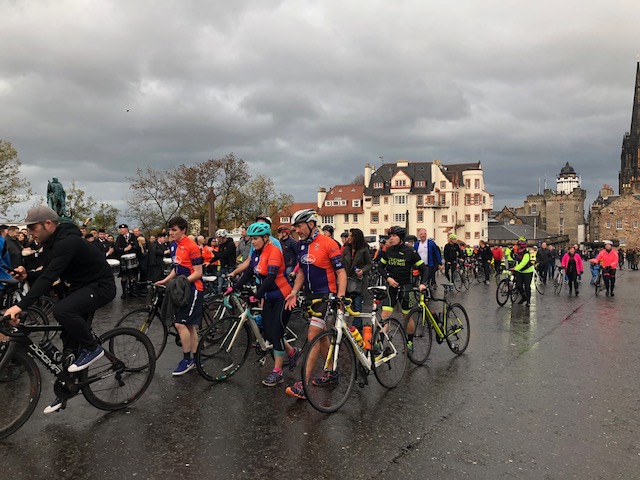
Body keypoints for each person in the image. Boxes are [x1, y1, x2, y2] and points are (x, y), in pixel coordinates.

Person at [3, 206, 116, 413]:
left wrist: (20, 305)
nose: (29, 232)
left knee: (62, 311)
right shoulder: (50, 244)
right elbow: (46, 271)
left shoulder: (68, 241)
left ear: (48, 224)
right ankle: (65, 390)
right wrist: (27, 274)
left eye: (32, 227)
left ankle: (93, 348)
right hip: (78, 288)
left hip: (100, 286)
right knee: (68, 347)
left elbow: (48, 277)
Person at [228, 222, 301, 387]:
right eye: (251, 239)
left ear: (266, 237)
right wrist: (234, 287)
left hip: (282, 297)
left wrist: (256, 295)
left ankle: (277, 372)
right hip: (269, 297)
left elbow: (271, 277)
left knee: (276, 333)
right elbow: (248, 272)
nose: (253, 242)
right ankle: (292, 351)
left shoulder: (274, 251)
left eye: (256, 239)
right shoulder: (256, 253)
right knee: (268, 333)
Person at [283, 209, 346, 400]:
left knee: (312, 336)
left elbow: (341, 272)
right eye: (294, 227)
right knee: (322, 337)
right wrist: (294, 292)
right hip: (310, 296)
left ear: (311, 224)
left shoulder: (329, 244)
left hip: (326, 295)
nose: (296, 231)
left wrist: (341, 296)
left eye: (299, 226)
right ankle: (331, 372)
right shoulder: (302, 245)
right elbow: (301, 272)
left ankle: (302, 384)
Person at [155, 217, 204, 375]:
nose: (171, 233)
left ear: (183, 230)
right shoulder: (173, 245)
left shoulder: (192, 246)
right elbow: (176, 268)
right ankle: (197, 358)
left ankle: (187, 359)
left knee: (180, 324)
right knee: (188, 325)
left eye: (174, 230)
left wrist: (182, 282)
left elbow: (198, 272)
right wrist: (166, 280)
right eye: (170, 230)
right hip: (182, 288)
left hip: (194, 288)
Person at [379, 226, 428, 354]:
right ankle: (379, 342)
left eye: (394, 236)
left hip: (406, 288)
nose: (391, 238)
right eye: (390, 236)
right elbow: (380, 267)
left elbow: (424, 269)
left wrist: (423, 283)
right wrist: (388, 278)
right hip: (391, 288)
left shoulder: (410, 252)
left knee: (407, 317)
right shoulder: (388, 251)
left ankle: (410, 342)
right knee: (385, 316)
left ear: (401, 238)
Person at [341, 228, 373, 325]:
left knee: (357, 306)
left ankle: (357, 329)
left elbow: (369, 264)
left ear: (356, 237)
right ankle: (344, 329)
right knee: (345, 306)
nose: (348, 238)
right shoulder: (347, 248)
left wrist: (362, 270)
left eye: (351, 236)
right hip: (346, 281)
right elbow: (342, 263)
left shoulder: (364, 250)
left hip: (359, 282)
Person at [114, 223, 140, 298]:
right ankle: (124, 292)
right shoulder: (119, 238)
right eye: (120, 229)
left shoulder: (133, 237)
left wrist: (130, 248)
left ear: (126, 229)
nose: (121, 230)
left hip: (133, 260)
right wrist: (124, 249)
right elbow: (117, 248)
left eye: (122, 229)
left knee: (133, 276)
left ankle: (132, 291)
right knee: (124, 277)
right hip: (123, 260)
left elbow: (137, 247)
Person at [209, 229, 236, 294]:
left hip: (229, 267)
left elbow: (223, 255)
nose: (217, 239)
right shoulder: (221, 245)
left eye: (218, 238)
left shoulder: (230, 245)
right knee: (220, 285)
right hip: (223, 267)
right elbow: (218, 256)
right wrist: (210, 262)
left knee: (227, 285)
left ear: (222, 237)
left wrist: (212, 251)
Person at [512, 238, 534, 307]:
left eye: (518, 246)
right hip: (520, 271)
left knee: (527, 286)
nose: (517, 247)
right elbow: (517, 262)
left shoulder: (526, 254)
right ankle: (524, 297)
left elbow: (523, 263)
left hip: (528, 272)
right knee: (518, 286)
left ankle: (528, 301)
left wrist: (515, 268)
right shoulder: (518, 253)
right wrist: (514, 268)